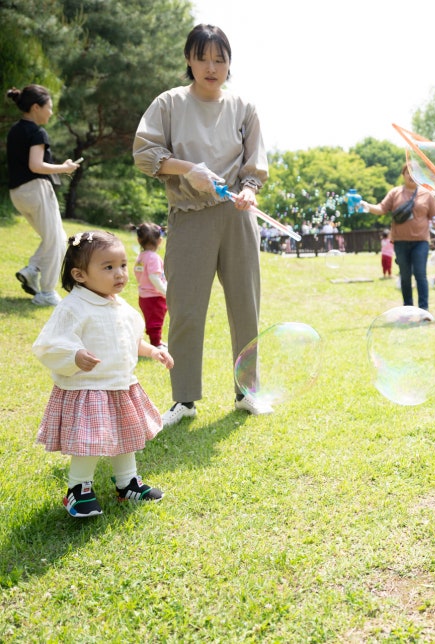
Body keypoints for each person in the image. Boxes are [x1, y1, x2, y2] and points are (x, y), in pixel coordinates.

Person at [132, 24, 269, 427]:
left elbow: (254, 166)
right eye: (203, 57)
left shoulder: (244, 107)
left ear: (229, 64)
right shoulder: (169, 104)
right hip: (189, 218)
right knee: (187, 309)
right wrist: (187, 169)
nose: (211, 67)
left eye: (220, 59)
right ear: (189, 60)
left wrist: (250, 190)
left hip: (238, 217)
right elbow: (145, 153)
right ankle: (184, 399)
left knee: (246, 306)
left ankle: (248, 391)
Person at [32, 230, 173, 517]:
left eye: (122, 265)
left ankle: (128, 483)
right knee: (89, 442)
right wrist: (74, 355)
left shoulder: (120, 305)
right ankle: (78, 489)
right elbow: (48, 343)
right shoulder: (73, 307)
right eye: (108, 267)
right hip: (88, 388)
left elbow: (128, 339)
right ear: (80, 275)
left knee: (126, 436)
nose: (120, 273)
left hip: (120, 385)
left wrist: (152, 350)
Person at [6, 85, 80, 307]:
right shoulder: (38, 132)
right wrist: (65, 168)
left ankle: (32, 270)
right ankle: (46, 293)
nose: (50, 112)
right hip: (36, 189)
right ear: (36, 107)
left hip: (18, 193)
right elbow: (36, 165)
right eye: (48, 107)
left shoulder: (15, 130)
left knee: (54, 237)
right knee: (57, 240)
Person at [361, 165, 435, 310]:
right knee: (405, 276)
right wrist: (366, 205)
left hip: (421, 242)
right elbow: (381, 209)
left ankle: (424, 310)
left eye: (415, 173)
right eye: (408, 173)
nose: (411, 175)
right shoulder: (395, 193)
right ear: (403, 175)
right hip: (400, 242)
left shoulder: (427, 195)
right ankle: (408, 309)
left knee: (420, 274)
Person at [133, 222, 168, 348]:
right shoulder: (153, 257)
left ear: (139, 240)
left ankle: (157, 341)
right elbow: (154, 277)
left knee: (152, 320)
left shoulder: (141, 256)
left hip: (144, 296)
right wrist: (165, 291)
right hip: (154, 296)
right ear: (160, 241)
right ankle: (156, 344)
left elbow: (138, 273)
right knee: (155, 321)